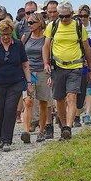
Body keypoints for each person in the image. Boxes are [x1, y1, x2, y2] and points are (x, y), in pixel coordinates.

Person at [43, 1, 91, 140]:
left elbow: (87, 49)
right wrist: (46, 63)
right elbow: (46, 46)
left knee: (72, 96)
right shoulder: (52, 26)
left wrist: (90, 68)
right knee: (59, 99)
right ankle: (63, 124)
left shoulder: (78, 26)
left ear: (72, 14)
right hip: (57, 67)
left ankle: (68, 128)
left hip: (75, 67)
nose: (64, 19)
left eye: (66, 16)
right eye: (61, 16)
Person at [0, 19, 33, 151]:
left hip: (15, 82)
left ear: (12, 32)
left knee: (10, 110)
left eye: (8, 34)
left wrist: (29, 83)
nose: (5, 37)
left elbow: (25, 64)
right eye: (3, 34)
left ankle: (7, 140)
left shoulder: (18, 45)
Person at [22, 12, 51, 143]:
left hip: (43, 72)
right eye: (28, 22)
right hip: (29, 72)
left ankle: (41, 130)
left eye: (32, 22)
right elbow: (20, 53)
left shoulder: (46, 38)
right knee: (28, 101)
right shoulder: (26, 37)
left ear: (40, 24)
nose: (29, 25)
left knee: (43, 101)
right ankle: (26, 131)